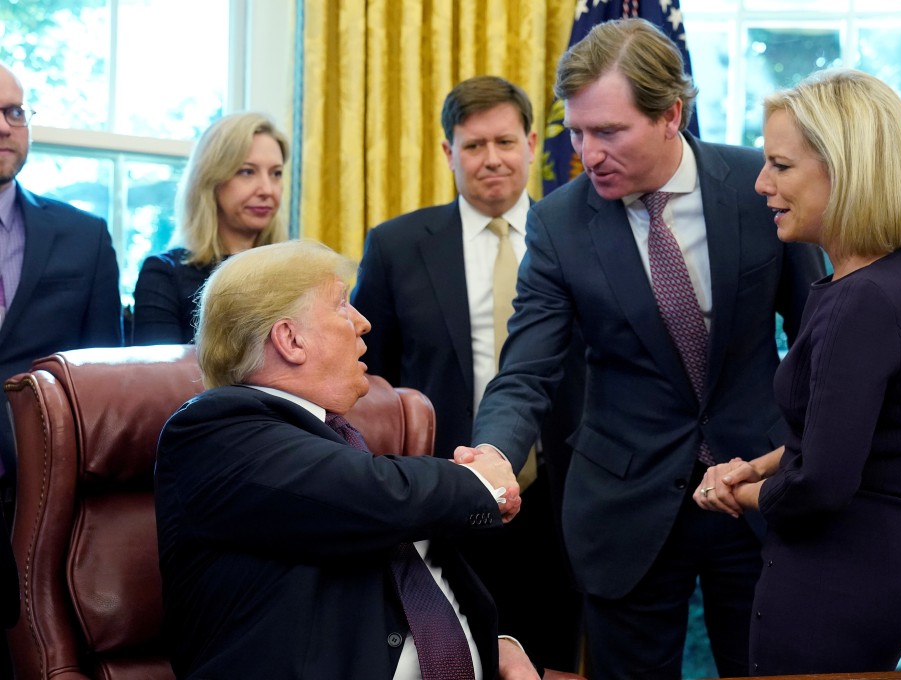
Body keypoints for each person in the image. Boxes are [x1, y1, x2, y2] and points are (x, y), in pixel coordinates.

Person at [455, 18, 826, 679]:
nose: (588, 153)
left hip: (754, 493)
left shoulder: (758, 188)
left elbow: (814, 340)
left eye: (608, 132)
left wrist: (807, 456)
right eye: (576, 133)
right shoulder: (560, 223)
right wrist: (494, 452)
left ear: (670, 114)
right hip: (625, 511)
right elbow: (527, 371)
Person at [154, 239, 539, 679]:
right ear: (290, 339)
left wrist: (492, 649)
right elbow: (378, 495)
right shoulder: (214, 430)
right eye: (342, 305)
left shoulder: (332, 440)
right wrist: (479, 483)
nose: (364, 323)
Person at [693, 68, 901, 675]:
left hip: (835, 589)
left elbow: (822, 484)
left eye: (780, 166)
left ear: (846, 169)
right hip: (873, 569)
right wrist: (756, 466)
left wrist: (733, 493)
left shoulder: (861, 301)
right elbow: (835, 437)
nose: (761, 184)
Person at [351, 75, 584, 672]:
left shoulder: (585, 238)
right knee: (458, 655)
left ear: (533, 143)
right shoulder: (397, 246)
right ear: (448, 152)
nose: (491, 160)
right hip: (445, 493)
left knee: (554, 655)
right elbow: (366, 382)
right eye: (474, 145)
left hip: (566, 494)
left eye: (505, 141)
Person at [0, 61, 122, 671]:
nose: (6, 126)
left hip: (43, 504)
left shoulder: (84, 237)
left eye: (15, 111)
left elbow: (101, 390)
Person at [132, 112, 289, 344]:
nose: (267, 189)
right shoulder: (164, 274)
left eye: (276, 173)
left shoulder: (296, 275)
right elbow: (159, 378)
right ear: (211, 181)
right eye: (247, 171)